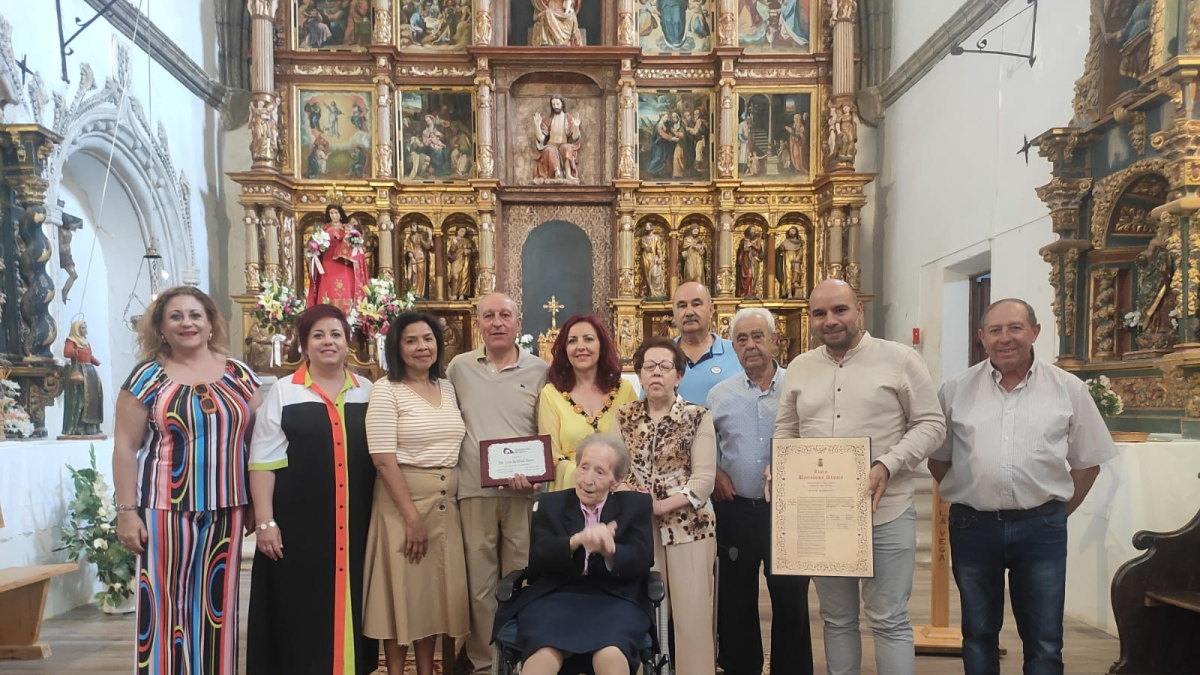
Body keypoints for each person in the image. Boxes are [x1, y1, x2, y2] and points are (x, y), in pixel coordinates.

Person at [929, 299, 1117, 675]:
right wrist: (974, 489)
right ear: (982, 338)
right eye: (995, 330)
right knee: (978, 633)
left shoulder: (1069, 390)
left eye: (1015, 328)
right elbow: (939, 458)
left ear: (1035, 332)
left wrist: (1052, 515)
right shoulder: (956, 389)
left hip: (1041, 529)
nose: (1005, 339)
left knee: (1045, 639)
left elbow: (1087, 464)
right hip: (974, 527)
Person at [770, 279, 945, 675]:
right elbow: (786, 430)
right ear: (810, 319)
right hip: (823, 516)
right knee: (836, 619)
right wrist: (781, 466)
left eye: (840, 310)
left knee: (888, 619)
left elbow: (932, 424)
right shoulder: (800, 367)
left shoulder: (900, 360)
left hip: (885, 511)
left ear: (859, 311)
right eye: (819, 313)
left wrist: (888, 463)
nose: (830, 320)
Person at [113, 286, 262, 675]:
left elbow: (258, 445)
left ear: (211, 323)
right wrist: (126, 511)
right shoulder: (146, 376)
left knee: (218, 606)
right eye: (176, 316)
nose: (187, 323)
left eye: (195, 315)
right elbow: (125, 447)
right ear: (161, 327)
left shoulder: (239, 374)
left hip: (227, 507)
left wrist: (256, 505)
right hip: (164, 507)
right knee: (164, 604)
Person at [247, 305, 377, 674]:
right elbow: (263, 460)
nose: (328, 342)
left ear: (347, 341)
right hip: (300, 523)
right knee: (301, 609)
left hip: (358, 520)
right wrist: (266, 522)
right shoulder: (284, 393)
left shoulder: (366, 392)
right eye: (318, 335)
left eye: (335, 334)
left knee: (356, 604)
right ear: (304, 345)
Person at [447, 292, 550, 675]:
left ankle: (522, 655)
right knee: (480, 584)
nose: (497, 323)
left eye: (504, 315)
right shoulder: (458, 368)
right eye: (488, 316)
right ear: (479, 324)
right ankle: (485, 662)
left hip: (523, 495)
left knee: (522, 575)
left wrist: (537, 478)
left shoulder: (540, 370)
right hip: (474, 492)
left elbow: (546, 429)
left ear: (518, 322)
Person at [362, 312, 469, 675]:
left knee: (433, 599)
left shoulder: (448, 387)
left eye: (428, 338)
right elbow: (383, 460)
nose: (422, 347)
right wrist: (411, 519)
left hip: (445, 505)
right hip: (402, 504)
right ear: (397, 347)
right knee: (401, 597)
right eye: (411, 340)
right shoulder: (386, 390)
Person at [706, 308, 812, 675]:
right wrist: (715, 470)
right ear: (733, 347)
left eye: (757, 336)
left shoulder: (799, 388)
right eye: (741, 339)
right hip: (736, 509)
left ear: (774, 339)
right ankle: (740, 667)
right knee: (735, 602)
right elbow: (702, 444)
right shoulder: (720, 394)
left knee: (791, 601)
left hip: (790, 511)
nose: (750, 345)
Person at [494, 434, 655, 675]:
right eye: (583, 467)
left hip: (615, 601)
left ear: (617, 479)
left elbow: (642, 558)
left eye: (600, 472)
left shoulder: (635, 505)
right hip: (555, 596)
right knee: (543, 653)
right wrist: (574, 541)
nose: (587, 479)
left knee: (610, 653)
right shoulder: (551, 504)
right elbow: (539, 559)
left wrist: (610, 551)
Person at [617, 336, 717, 675]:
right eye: (649, 366)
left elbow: (704, 480)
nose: (656, 373)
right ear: (640, 375)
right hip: (640, 528)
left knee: (692, 617)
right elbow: (619, 471)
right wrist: (637, 497)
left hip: (691, 527)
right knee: (644, 611)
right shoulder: (624, 417)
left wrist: (661, 506)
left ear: (679, 375)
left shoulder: (698, 417)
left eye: (665, 367)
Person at [539, 314, 638, 491]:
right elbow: (552, 455)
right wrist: (589, 480)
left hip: (619, 490)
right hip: (569, 493)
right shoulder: (551, 394)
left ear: (602, 346)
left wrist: (616, 482)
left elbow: (638, 446)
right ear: (564, 349)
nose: (580, 347)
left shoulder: (624, 390)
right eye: (572, 341)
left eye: (588, 339)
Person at [671, 281, 741, 404]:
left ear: (711, 309)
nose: (689, 312)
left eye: (696, 304)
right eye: (682, 306)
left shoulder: (736, 352)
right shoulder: (661, 355)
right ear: (673, 312)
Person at [306, 204, 368, 313]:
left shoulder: (347, 228)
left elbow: (356, 246)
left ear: (340, 214)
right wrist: (316, 246)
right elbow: (314, 243)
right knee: (328, 286)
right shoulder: (324, 229)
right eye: (331, 213)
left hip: (343, 263)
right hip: (328, 262)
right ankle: (325, 311)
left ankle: (348, 312)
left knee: (345, 285)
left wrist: (348, 239)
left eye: (336, 213)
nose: (334, 216)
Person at [62, 319, 103, 437]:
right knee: (81, 400)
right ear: (77, 330)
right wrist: (76, 351)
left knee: (93, 399)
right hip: (79, 371)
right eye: (83, 328)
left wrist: (95, 362)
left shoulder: (85, 342)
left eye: (86, 328)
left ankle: (91, 427)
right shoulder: (71, 340)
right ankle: (78, 426)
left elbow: (89, 355)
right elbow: (67, 352)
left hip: (90, 372)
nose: (86, 331)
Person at [532, 94, 582, 181]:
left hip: (564, 143)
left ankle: (568, 174)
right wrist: (537, 126)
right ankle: (556, 173)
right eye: (553, 104)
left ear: (562, 104)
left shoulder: (568, 118)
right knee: (550, 150)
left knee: (567, 148)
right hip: (551, 145)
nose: (556, 106)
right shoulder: (548, 120)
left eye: (558, 104)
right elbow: (541, 139)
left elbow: (574, 137)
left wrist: (576, 127)